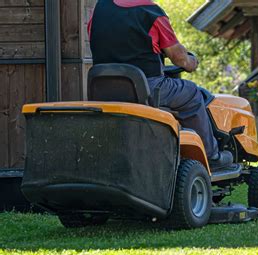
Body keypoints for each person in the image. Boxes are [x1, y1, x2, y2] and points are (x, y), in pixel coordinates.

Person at [88, 0, 233, 171]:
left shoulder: (98, 10)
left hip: (103, 88)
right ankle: (211, 156)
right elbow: (180, 58)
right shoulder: (151, 12)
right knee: (192, 92)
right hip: (145, 88)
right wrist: (192, 61)